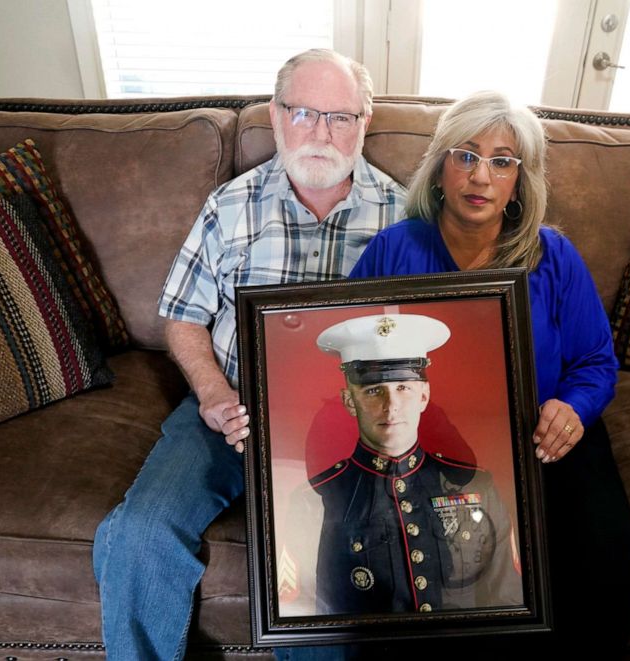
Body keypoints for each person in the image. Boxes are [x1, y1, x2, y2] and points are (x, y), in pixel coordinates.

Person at [91, 48, 406, 661]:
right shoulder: (231, 206)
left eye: (341, 117)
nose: (321, 133)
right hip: (228, 409)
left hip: (339, 429)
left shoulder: (401, 215)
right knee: (136, 534)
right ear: (275, 113)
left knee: (315, 575)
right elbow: (182, 317)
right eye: (305, 113)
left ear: (364, 122)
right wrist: (212, 395)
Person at [347, 91, 630, 654]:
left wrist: (573, 409)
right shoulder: (393, 249)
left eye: (502, 161)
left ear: (518, 182)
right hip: (430, 442)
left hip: (542, 435)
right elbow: (350, 343)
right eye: (466, 156)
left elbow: (596, 363)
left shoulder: (553, 255)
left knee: (599, 555)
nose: (482, 176)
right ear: (439, 171)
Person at [278, 313, 522, 617]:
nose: (391, 405)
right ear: (349, 401)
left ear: (424, 395)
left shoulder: (476, 486)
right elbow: (306, 621)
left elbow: (507, 603)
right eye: (372, 390)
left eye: (403, 388)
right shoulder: (315, 501)